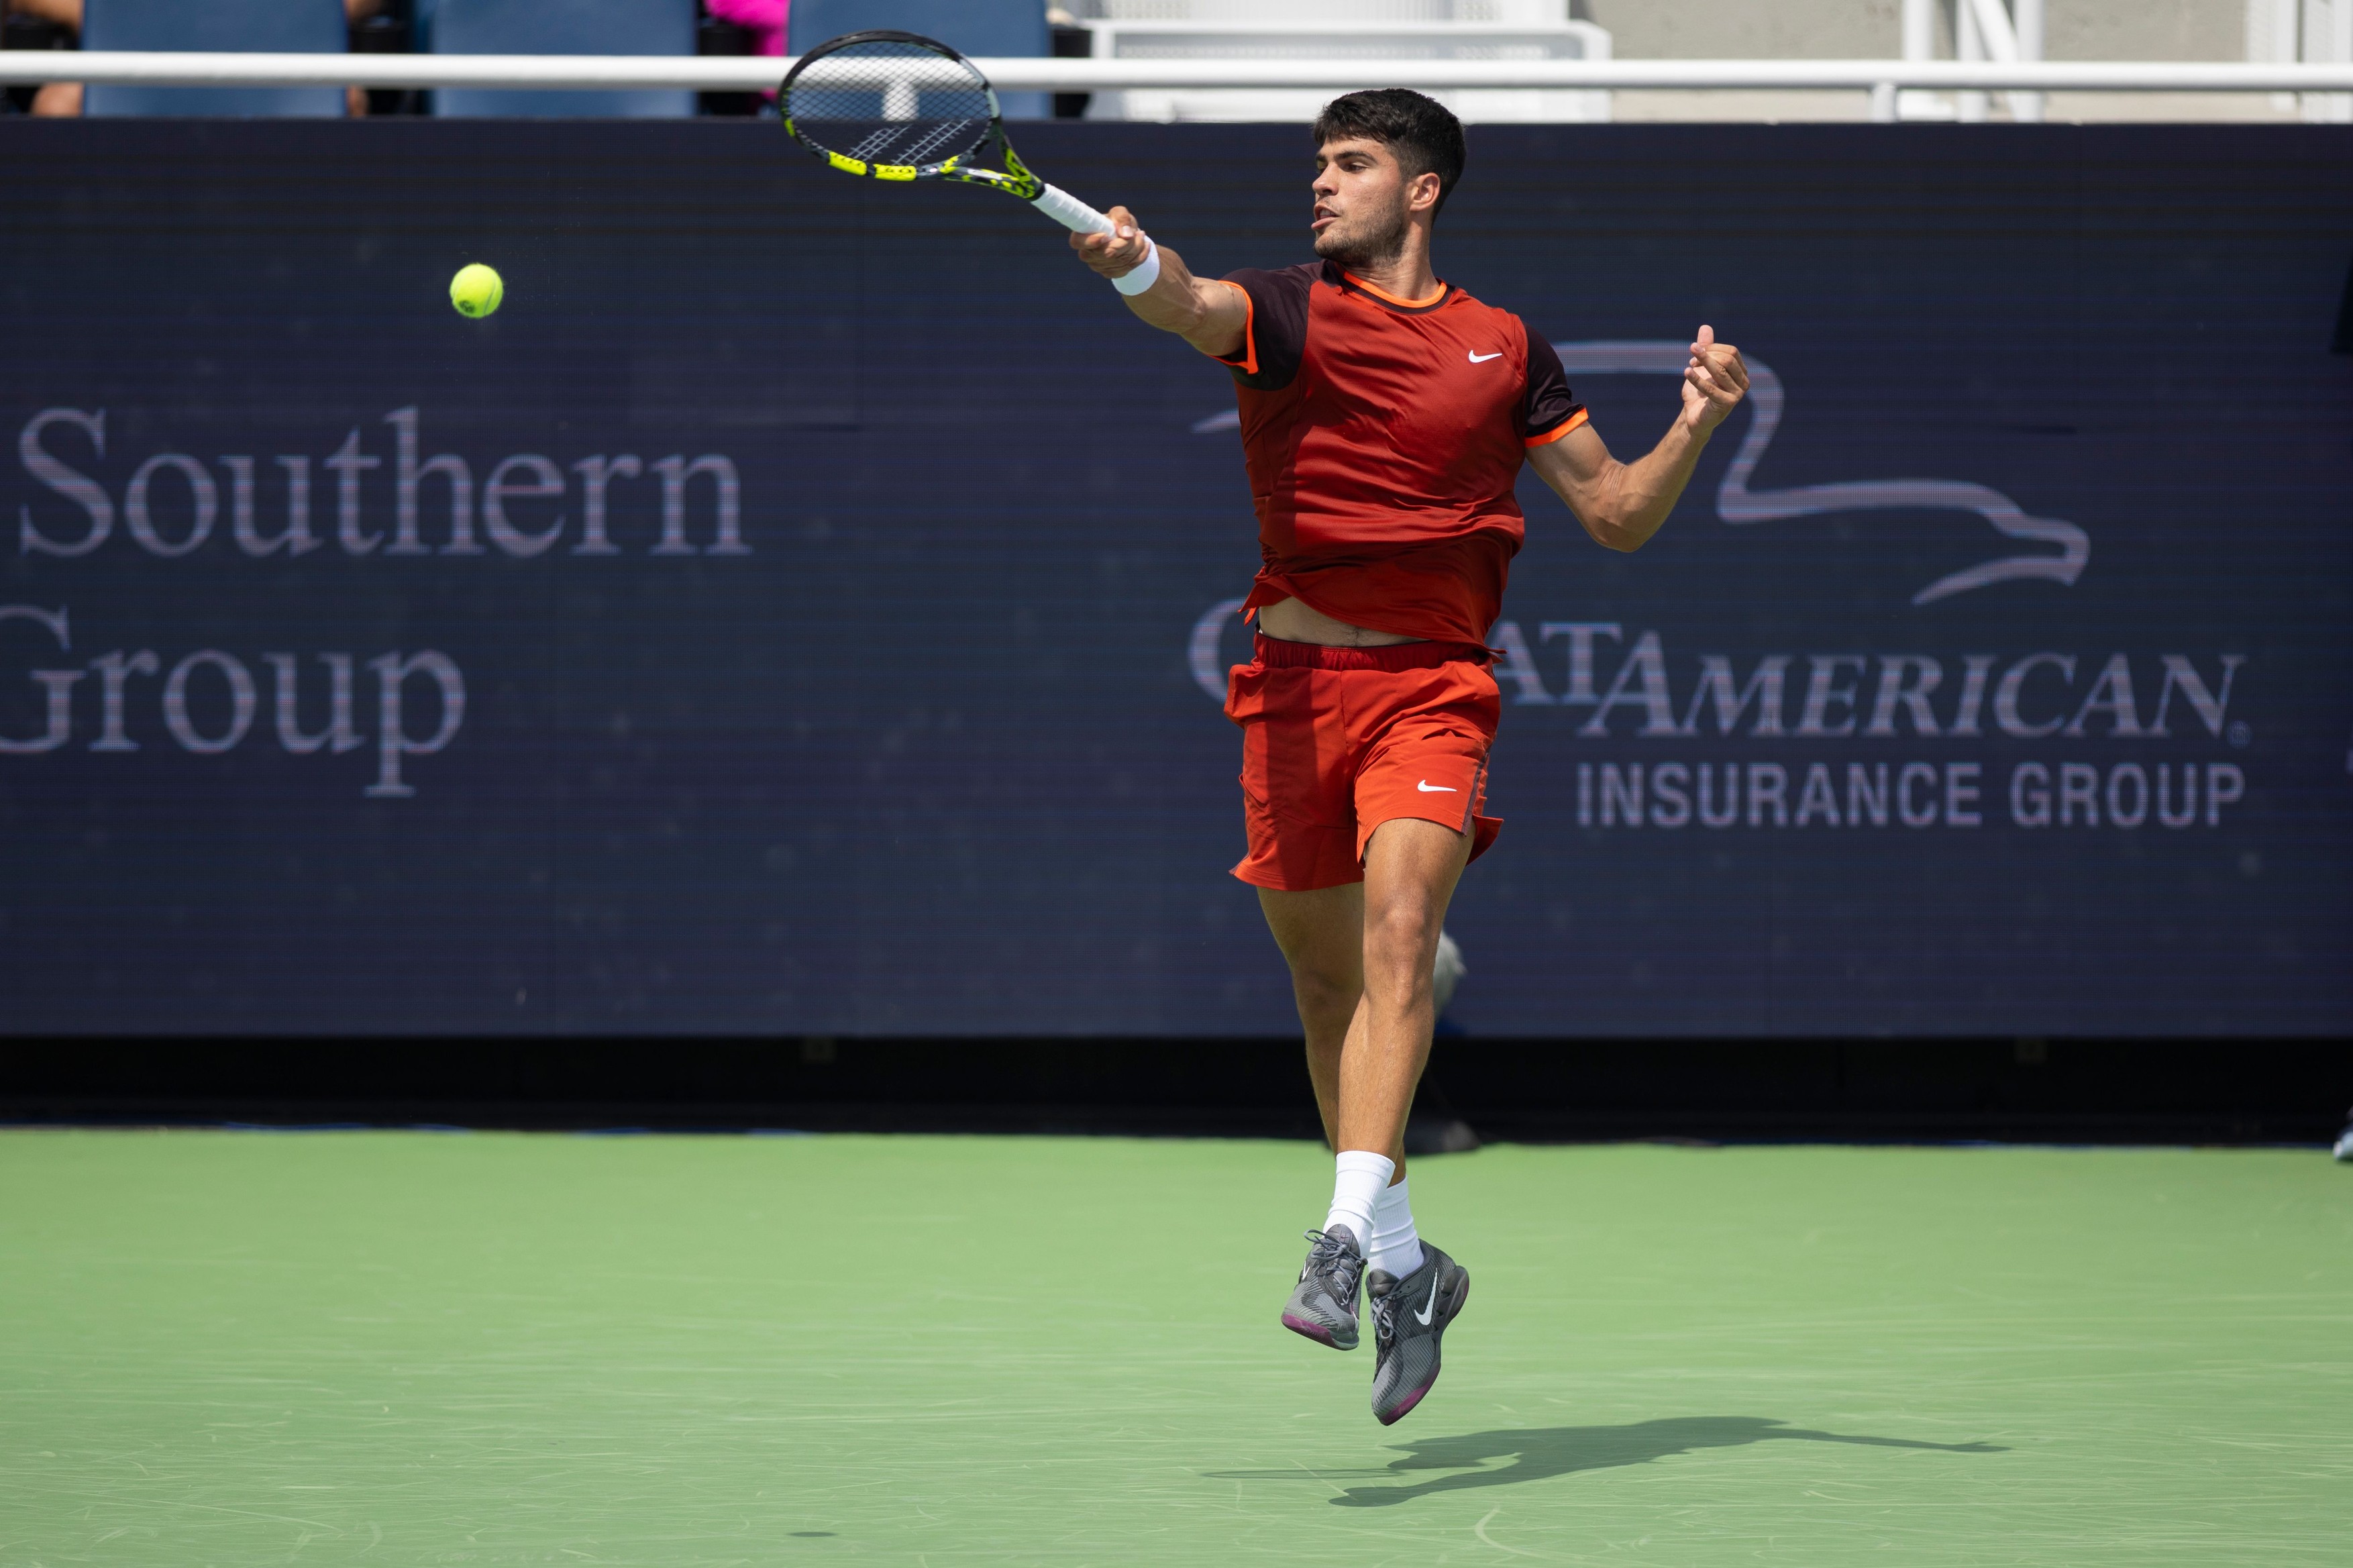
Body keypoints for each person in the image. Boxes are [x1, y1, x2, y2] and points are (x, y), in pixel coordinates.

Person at [1069, 89, 1749, 1425]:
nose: (1320, 184)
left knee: (1397, 937)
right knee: (1329, 996)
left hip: (1430, 690)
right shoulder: (1284, 312)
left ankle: (1335, 1238)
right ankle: (1406, 1265)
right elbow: (1188, 303)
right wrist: (1131, 264)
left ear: (1420, 188)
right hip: (1290, 691)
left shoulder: (1506, 348)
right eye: (1316, 163)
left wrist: (1697, 422)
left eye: (1351, 164)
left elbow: (1612, 511)